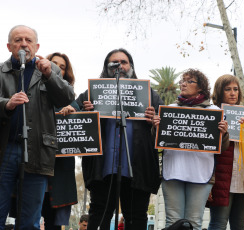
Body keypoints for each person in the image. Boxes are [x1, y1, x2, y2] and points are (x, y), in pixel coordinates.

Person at [76, 48, 163, 230]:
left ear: (130, 66)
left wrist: (155, 121)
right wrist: (86, 114)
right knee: (99, 214)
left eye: (123, 62)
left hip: (138, 168)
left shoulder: (150, 95)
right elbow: (75, 126)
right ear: (106, 67)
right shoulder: (90, 94)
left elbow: (164, 132)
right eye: (114, 62)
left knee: (137, 217)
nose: (119, 66)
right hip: (103, 168)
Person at [0, 25, 74, 229]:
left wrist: (50, 75)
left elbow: (66, 98)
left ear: (37, 46)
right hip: (5, 149)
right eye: (18, 40)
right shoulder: (1, 71)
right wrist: (6, 104)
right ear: (9, 46)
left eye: (28, 40)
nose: (23, 44)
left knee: (31, 218)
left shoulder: (50, 70)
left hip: (38, 150)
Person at [152, 69, 229, 230]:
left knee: (194, 223)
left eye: (189, 81)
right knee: (173, 222)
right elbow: (157, 141)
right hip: (173, 171)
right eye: (182, 81)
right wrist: (156, 128)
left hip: (201, 173)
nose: (183, 84)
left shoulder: (214, 112)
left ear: (200, 87)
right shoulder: (169, 109)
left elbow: (222, 148)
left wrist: (223, 134)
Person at [41, 52, 79, 230]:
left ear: (66, 73)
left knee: (53, 223)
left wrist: (73, 108)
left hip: (60, 169)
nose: (56, 68)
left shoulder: (72, 99)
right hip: (36, 165)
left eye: (61, 67)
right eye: (53, 63)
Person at [207, 74, 244, 230]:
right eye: (227, 89)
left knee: (240, 226)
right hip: (222, 181)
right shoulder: (213, 115)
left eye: (235, 89)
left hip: (243, 181)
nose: (232, 93)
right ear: (219, 92)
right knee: (218, 224)